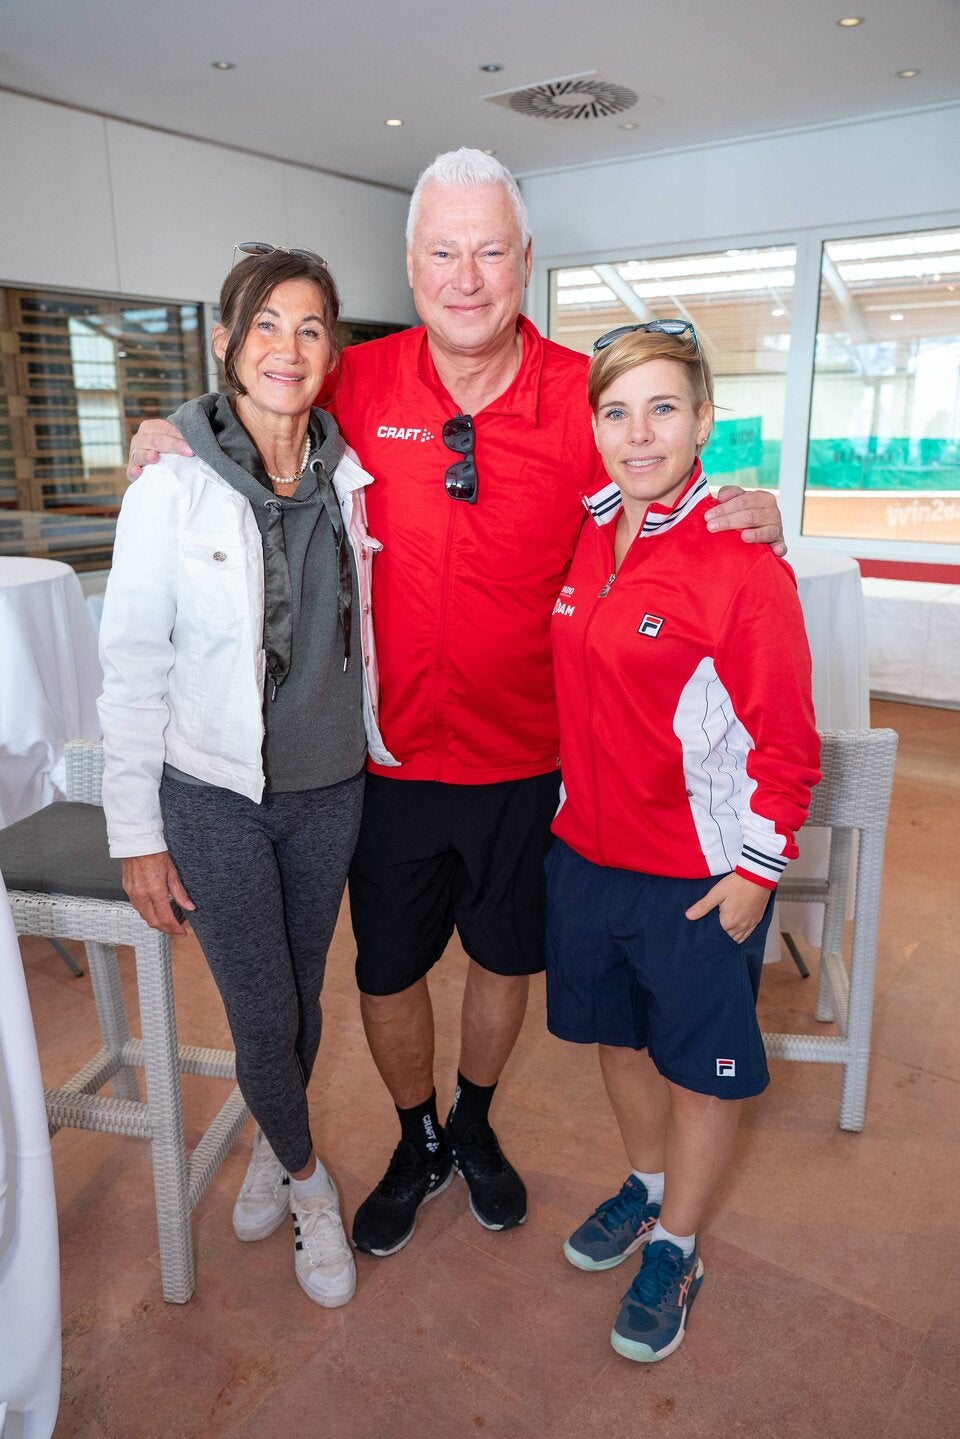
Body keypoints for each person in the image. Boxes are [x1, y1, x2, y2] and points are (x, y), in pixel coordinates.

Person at [127, 150, 786, 1260]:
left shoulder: (580, 398)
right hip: (377, 765)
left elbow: (658, 466)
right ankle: (416, 1132)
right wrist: (174, 429)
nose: (467, 275)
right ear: (412, 261)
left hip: (529, 761)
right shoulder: (360, 379)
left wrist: (744, 497)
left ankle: (476, 1123)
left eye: (490, 250)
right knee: (384, 970)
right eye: (444, 250)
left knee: (503, 960)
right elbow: (260, 398)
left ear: (526, 261)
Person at [99, 244, 396, 1306]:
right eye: (265, 323)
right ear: (227, 342)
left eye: (311, 327)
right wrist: (136, 830)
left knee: (301, 994)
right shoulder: (169, 483)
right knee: (263, 1011)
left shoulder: (352, 478)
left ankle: (275, 1139)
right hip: (214, 794)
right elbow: (131, 665)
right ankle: (313, 1181)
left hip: (331, 789)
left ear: (332, 352)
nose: (288, 346)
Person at [546, 322, 820, 1362]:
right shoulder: (589, 529)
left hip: (697, 879)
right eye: (616, 410)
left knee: (700, 1071)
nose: (639, 431)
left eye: (663, 407)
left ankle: (681, 1242)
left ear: (705, 420)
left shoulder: (742, 561)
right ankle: (648, 1188)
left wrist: (758, 870)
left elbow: (788, 740)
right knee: (619, 1042)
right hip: (585, 857)